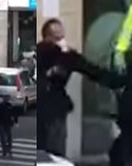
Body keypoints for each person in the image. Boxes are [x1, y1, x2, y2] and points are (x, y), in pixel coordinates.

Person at [37, 18, 103, 156]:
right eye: (57, 37)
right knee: (52, 149)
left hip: (54, 109)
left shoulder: (66, 56)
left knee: (50, 148)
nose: (61, 40)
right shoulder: (51, 54)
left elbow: (93, 71)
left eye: (61, 36)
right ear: (48, 37)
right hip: (49, 109)